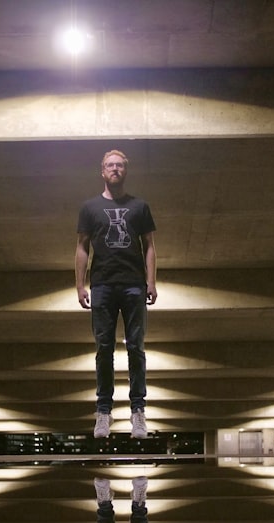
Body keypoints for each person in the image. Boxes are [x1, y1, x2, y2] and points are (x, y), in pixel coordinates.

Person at [75, 150, 158, 439]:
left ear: (126, 171)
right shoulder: (90, 207)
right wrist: (80, 284)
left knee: (136, 347)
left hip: (133, 283)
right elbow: (82, 247)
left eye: (119, 165)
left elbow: (149, 245)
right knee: (104, 349)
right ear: (102, 171)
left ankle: (138, 413)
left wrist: (151, 280)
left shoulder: (139, 206)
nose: (115, 169)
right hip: (102, 285)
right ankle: (103, 412)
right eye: (110, 165)